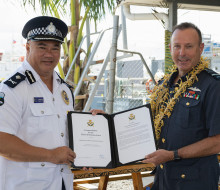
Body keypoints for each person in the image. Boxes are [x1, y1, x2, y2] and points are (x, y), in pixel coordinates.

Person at [0, 16, 79, 190]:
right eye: (42, 47)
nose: (49, 54)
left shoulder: (64, 89)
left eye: (55, 48)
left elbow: (64, 133)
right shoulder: (12, 89)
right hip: (26, 185)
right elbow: (2, 142)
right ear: (28, 47)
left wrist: (96, 125)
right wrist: (50, 155)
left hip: (61, 182)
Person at [143, 22, 220, 190]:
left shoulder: (213, 86)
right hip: (164, 180)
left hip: (195, 182)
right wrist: (107, 121)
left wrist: (173, 155)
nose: (182, 53)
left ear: (200, 48)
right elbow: (146, 122)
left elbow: (217, 142)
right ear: (170, 48)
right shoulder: (164, 85)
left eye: (189, 46)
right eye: (177, 46)